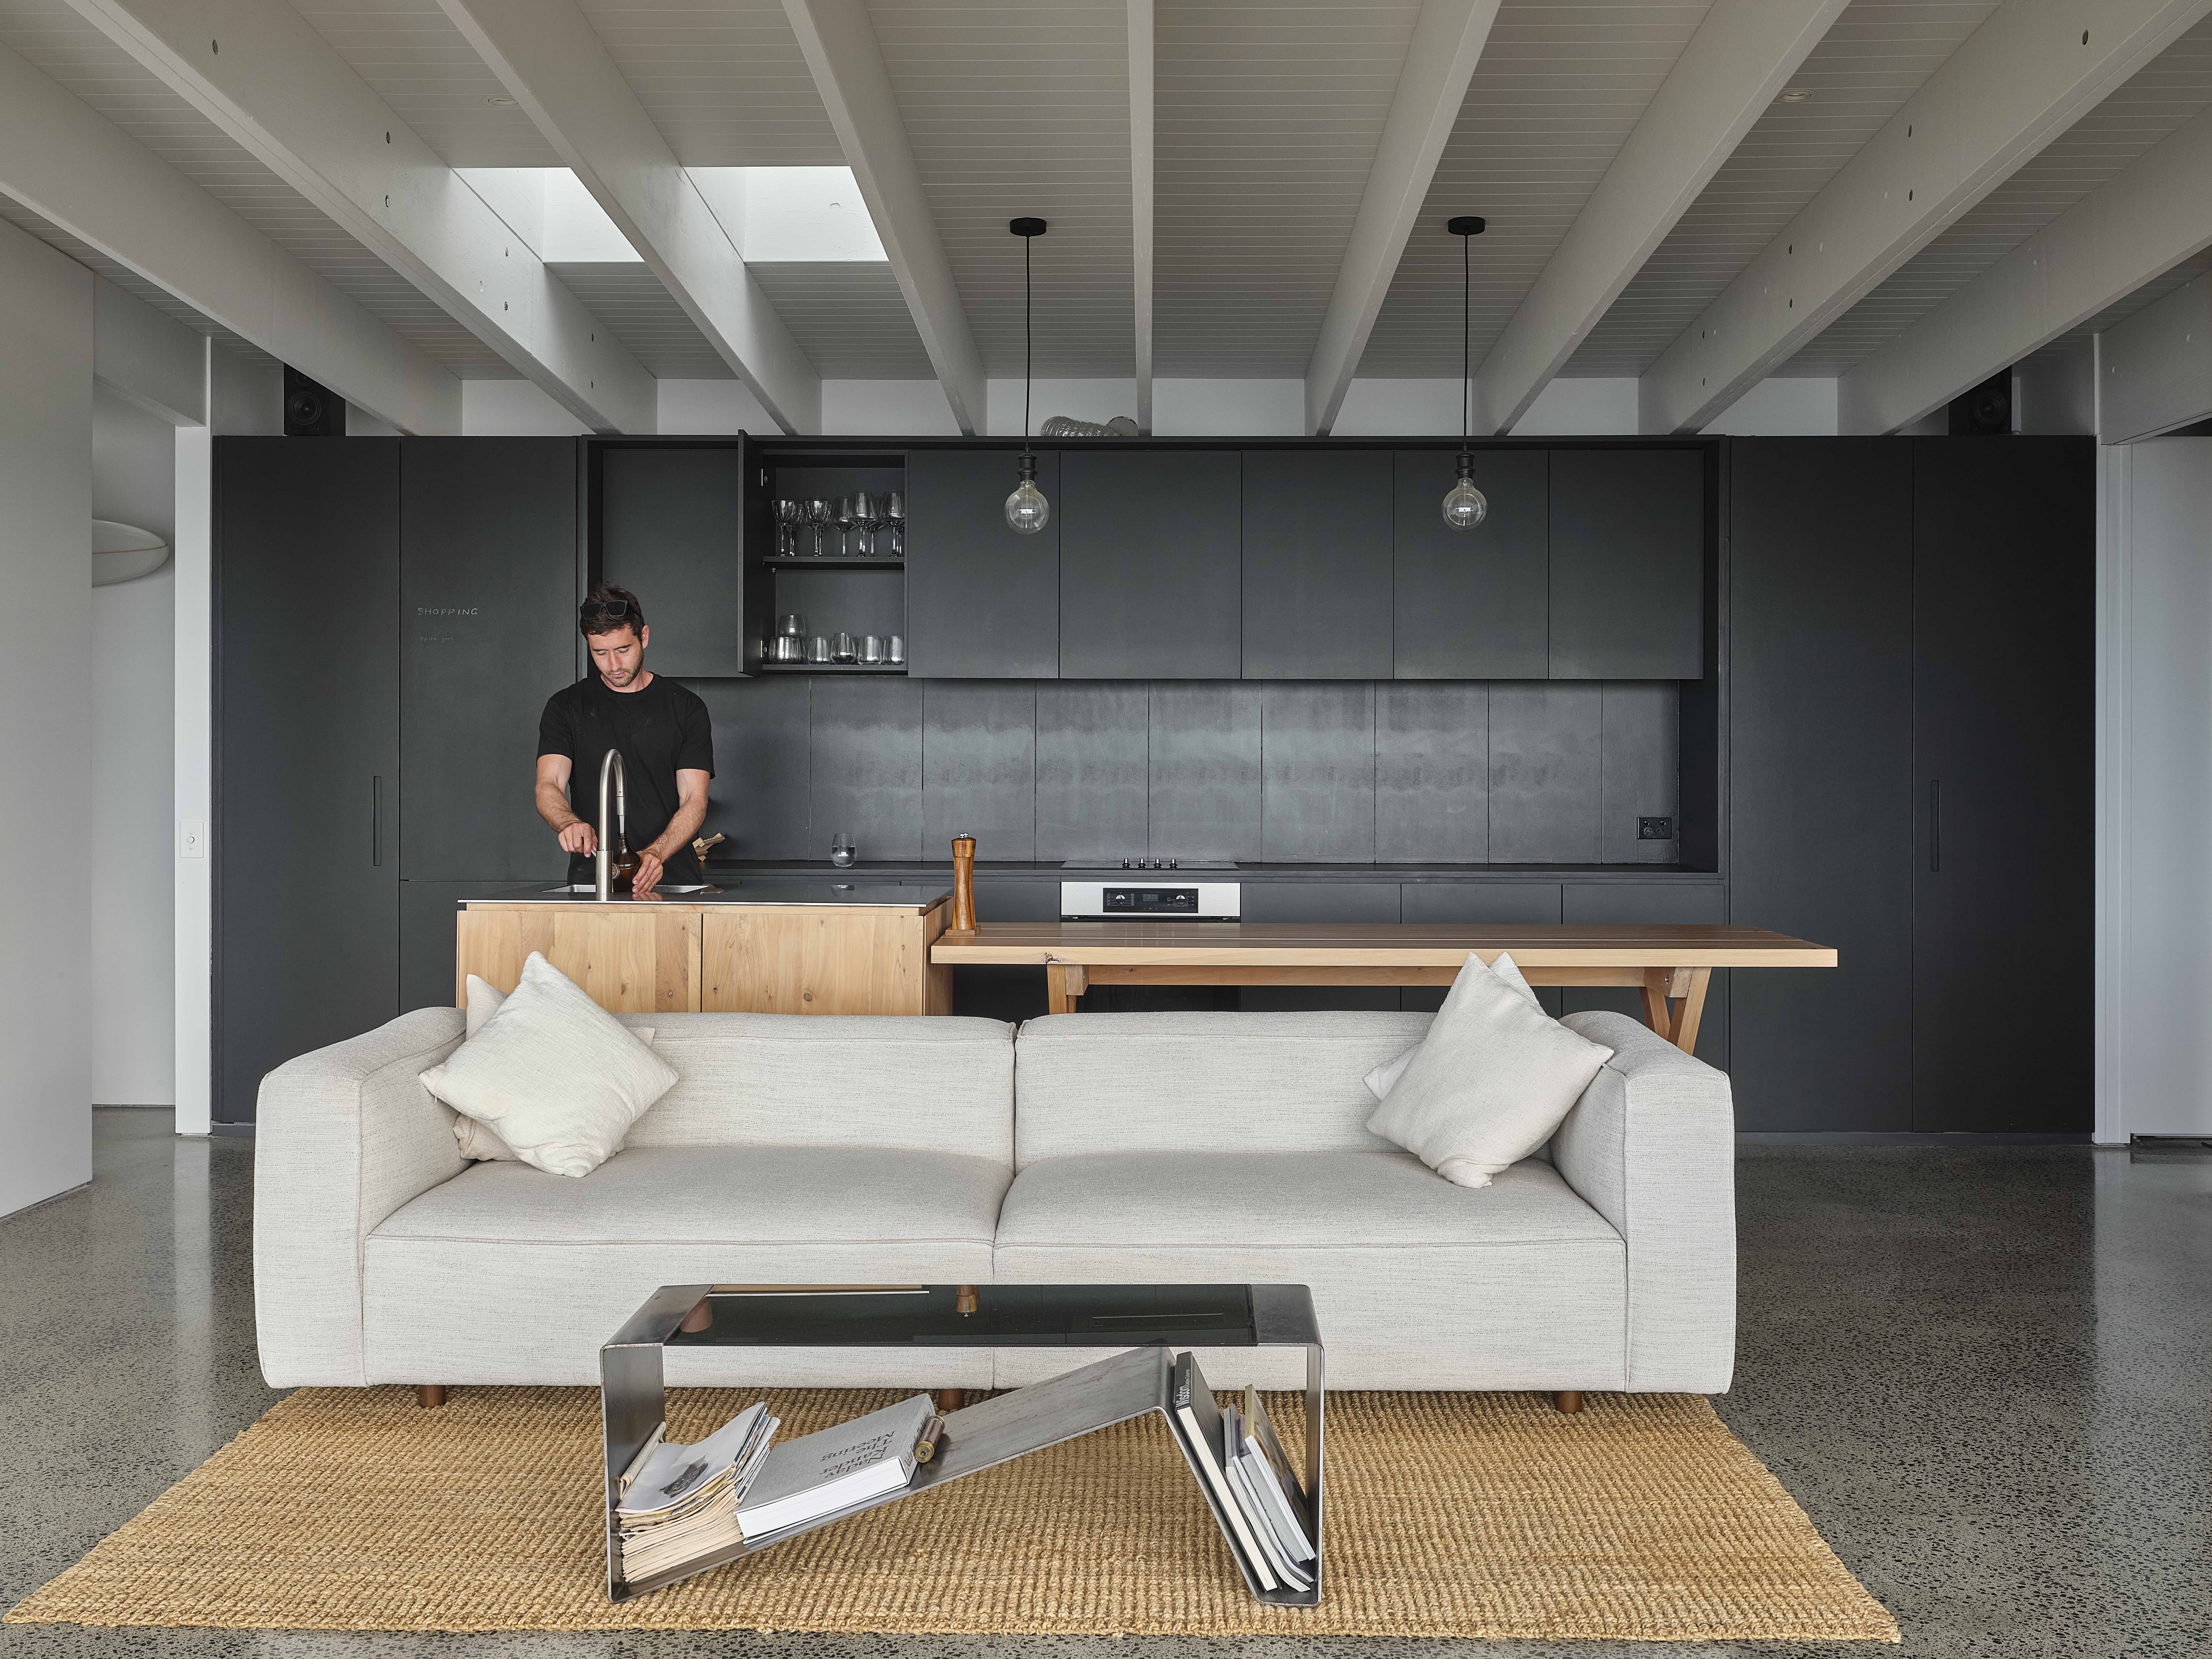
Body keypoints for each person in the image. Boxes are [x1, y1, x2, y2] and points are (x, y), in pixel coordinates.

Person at [535, 585, 714, 895]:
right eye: (600, 654)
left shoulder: (685, 708)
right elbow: (548, 784)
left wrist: (657, 853)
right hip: (595, 881)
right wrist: (567, 823)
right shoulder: (566, 707)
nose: (614, 666)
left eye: (623, 650)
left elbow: (694, 800)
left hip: (672, 879)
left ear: (643, 637)